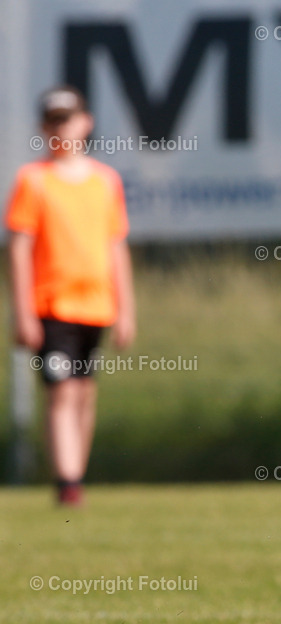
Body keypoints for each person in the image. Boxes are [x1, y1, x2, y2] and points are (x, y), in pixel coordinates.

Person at [6, 85, 136, 506]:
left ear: (86, 122)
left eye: (69, 119)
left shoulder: (105, 181)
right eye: (54, 121)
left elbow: (116, 246)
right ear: (44, 128)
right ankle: (68, 483)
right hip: (52, 304)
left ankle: (74, 471)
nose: (63, 128)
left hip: (95, 304)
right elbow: (20, 248)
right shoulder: (34, 180)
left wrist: (126, 307)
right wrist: (22, 311)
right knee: (60, 391)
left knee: (83, 391)